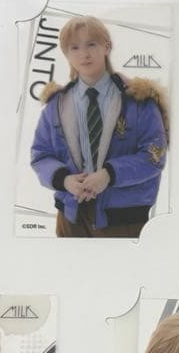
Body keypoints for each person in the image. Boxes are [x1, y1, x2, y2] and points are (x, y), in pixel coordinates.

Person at [31, 15, 169, 238]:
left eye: (91, 44)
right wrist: (64, 180)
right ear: (66, 54)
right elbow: (41, 155)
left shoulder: (139, 101)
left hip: (125, 219)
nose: (84, 54)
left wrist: (109, 175)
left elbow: (154, 157)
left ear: (107, 46)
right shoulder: (56, 106)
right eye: (74, 47)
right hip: (70, 218)